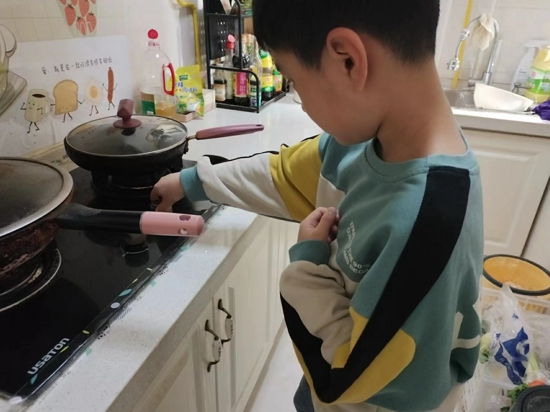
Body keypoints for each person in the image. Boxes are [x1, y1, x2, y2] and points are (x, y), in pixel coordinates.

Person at [150, 0, 484, 410]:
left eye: (294, 80)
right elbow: (283, 174)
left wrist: (306, 268)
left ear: (347, 60)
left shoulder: (428, 221)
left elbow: (345, 376)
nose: (303, 104)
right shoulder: (363, 142)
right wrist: (191, 182)